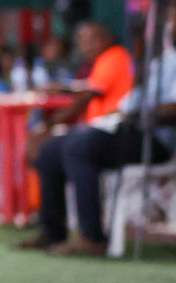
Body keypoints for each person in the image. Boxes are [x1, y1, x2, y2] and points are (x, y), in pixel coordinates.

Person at [19, 20, 141, 254]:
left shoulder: (115, 56)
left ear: (106, 38)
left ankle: (92, 237)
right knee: (49, 152)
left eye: (90, 39)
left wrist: (50, 123)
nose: (85, 45)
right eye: (82, 41)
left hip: (118, 131)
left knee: (77, 147)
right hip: (99, 131)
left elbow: (87, 95)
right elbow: (83, 91)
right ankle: (52, 232)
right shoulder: (97, 62)